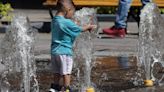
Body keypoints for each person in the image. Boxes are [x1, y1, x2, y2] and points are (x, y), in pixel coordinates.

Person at [49, 0, 96, 92]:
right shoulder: (66, 22)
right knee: (66, 72)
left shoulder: (55, 20)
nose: (72, 15)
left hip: (54, 52)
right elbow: (79, 29)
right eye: (72, 13)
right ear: (67, 10)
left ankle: (55, 88)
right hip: (65, 52)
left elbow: (68, 27)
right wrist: (88, 27)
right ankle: (67, 88)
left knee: (57, 72)